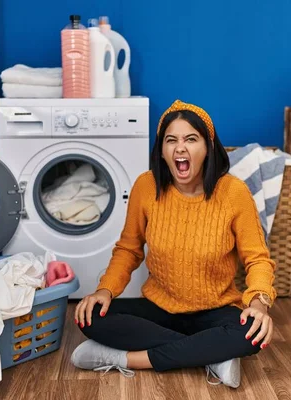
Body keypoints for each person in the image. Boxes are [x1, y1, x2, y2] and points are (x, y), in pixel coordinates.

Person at [70, 99, 277, 388]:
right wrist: (104, 290)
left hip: (215, 310)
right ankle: (212, 355)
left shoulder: (233, 193)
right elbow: (129, 249)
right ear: (163, 151)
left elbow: (257, 259)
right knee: (89, 316)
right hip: (159, 308)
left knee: (249, 334)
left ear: (208, 146)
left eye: (191, 139)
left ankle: (124, 359)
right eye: (171, 140)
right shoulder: (146, 186)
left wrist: (259, 304)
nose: (180, 148)